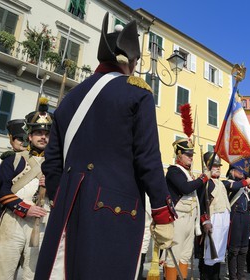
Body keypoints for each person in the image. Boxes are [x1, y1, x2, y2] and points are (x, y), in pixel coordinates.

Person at [35, 13, 176, 279]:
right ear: (131, 61)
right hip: (113, 212)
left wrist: (62, 194)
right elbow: (147, 158)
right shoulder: (138, 92)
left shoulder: (69, 99)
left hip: (65, 208)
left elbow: (52, 162)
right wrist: (162, 212)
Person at [0, 98, 52, 279]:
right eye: (38, 132)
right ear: (29, 136)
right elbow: (2, 191)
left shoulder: (56, 166)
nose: (42, 137)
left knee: (33, 275)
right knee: (3, 273)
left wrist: (52, 186)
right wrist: (25, 208)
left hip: (41, 224)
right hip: (13, 220)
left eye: (46, 134)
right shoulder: (12, 160)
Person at [165, 138, 208, 280]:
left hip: (190, 218)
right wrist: (201, 180)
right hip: (179, 218)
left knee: (185, 255)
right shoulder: (174, 171)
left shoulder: (189, 174)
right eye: (187, 154)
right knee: (174, 255)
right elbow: (185, 188)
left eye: (191, 154)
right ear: (178, 154)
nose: (191, 157)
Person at [198, 151, 230, 280]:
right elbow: (201, 203)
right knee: (210, 254)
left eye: (219, 166)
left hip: (223, 222)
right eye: (214, 166)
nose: (218, 168)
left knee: (218, 254)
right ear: (207, 167)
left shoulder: (220, 183)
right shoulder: (205, 182)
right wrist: (205, 221)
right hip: (213, 221)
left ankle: (215, 277)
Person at [223, 164, 250, 280]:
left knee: (244, 249)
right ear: (232, 171)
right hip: (235, 217)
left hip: (245, 217)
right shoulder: (227, 183)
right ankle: (233, 276)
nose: (242, 172)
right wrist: (245, 182)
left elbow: (248, 204)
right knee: (234, 249)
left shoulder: (244, 185)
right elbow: (233, 186)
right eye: (239, 169)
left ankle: (241, 275)